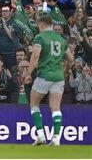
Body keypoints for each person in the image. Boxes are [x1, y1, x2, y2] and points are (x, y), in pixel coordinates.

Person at [24, 15, 74, 146]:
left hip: (44, 75)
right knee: (55, 108)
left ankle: (40, 135)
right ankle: (56, 138)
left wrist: (29, 73)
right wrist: (66, 70)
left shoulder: (40, 37)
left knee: (34, 104)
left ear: (41, 25)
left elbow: (35, 55)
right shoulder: (61, 39)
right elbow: (70, 58)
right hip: (59, 76)